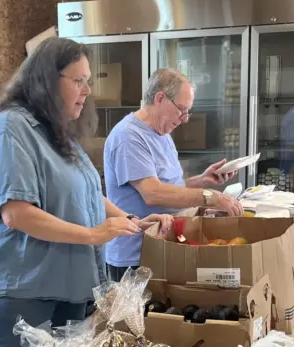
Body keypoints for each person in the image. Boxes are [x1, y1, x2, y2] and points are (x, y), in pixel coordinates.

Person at [0, 38, 172, 347]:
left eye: (88, 81)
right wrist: (93, 234)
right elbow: (16, 213)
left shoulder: (59, 132)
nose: (87, 90)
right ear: (47, 80)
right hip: (25, 294)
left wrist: (132, 221)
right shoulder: (11, 128)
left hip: (71, 290)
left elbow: (87, 192)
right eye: (78, 81)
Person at [103, 68, 244, 279]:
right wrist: (209, 197)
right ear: (160, 98)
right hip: (135, 258)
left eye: (188, 112)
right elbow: (153, 193)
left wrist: (201, 181)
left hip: (164, 246)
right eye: (181, 109)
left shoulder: (162, 133)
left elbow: (169, 185)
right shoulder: (129, 137)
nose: (185, 119)